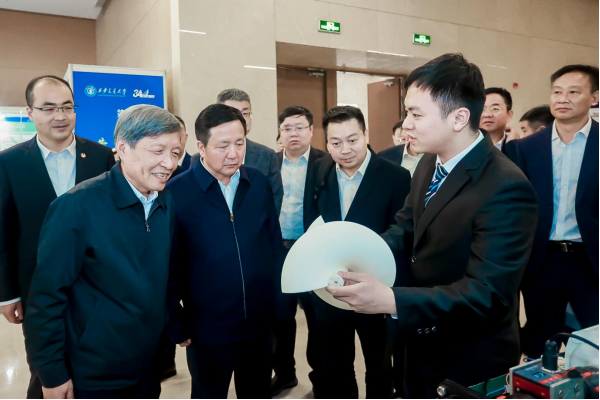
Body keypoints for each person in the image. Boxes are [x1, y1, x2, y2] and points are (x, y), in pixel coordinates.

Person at [326, 54, 538, 398]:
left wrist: (392, 300)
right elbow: (405, 228)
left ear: (459, 118)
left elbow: (487, 294)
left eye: (416, 114)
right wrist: (356, 257)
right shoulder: (429, 162)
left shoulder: (506, 186)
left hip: (467, 357)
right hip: (419, 342)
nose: (406, 124)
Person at [23, 105, 182, 399]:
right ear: (123, 148)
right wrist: (52, 373)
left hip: (146, 366)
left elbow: (162, 278)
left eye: (176, 152)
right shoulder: (77, 206)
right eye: (157, 150)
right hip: (92, 370)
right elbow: (46, 298)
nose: (169, 163)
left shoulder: (165, 202)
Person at [0, 75, 115, 399]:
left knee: (93, 365)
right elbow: (3, 232)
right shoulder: (8, 163)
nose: (60, 116)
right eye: (49, 108)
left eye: (67, 107)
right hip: (37, 288)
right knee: (46, 368)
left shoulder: (101, 157)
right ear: (30, 112)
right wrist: (7, 294)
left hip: (96, 286)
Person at [167, 104, 284, 399]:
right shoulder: (176, 193)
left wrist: (280, 304)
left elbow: (274, 245)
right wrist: (176, 320)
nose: (233, 154)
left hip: (258, 323)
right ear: (201, 147)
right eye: (222, 146)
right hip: (207, 327)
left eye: (239, 143)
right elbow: (167, 265)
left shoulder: (257, 183)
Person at [310, 106, 411, 399]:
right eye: (336, 142)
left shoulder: (396, 176)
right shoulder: (320, 170)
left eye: (353, 140)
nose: (345, 149)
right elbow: (311, 223)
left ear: (366, 135)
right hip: (330, 288)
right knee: (336, 364)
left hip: (376, 288)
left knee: (379, 365)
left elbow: (402, 233)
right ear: (327, 143)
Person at [509, 65, 599, 357]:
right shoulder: (526, 148)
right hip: (542, 259)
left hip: (590, 259)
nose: (563, 98)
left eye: (574, 92)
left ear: (594, 98)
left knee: (593, 340)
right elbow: (517, 205)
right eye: (557, 92)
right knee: (540, 340)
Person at [272, 106, 328, 397]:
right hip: (278, 251)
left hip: (311, 252)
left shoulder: (325, 162)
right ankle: (284, 374)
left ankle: (320, 378)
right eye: (287, 128)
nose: (293, 133)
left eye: (299, 127)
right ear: (280, 132)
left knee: (317, 320)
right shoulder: (269, 162)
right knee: (280, 318)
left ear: (310, 130)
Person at [190, 89, 284, 214]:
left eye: (245, 113)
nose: (240, 119)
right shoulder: (198, 159)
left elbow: (274, 200)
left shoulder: (267, 155)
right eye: (232, 113)